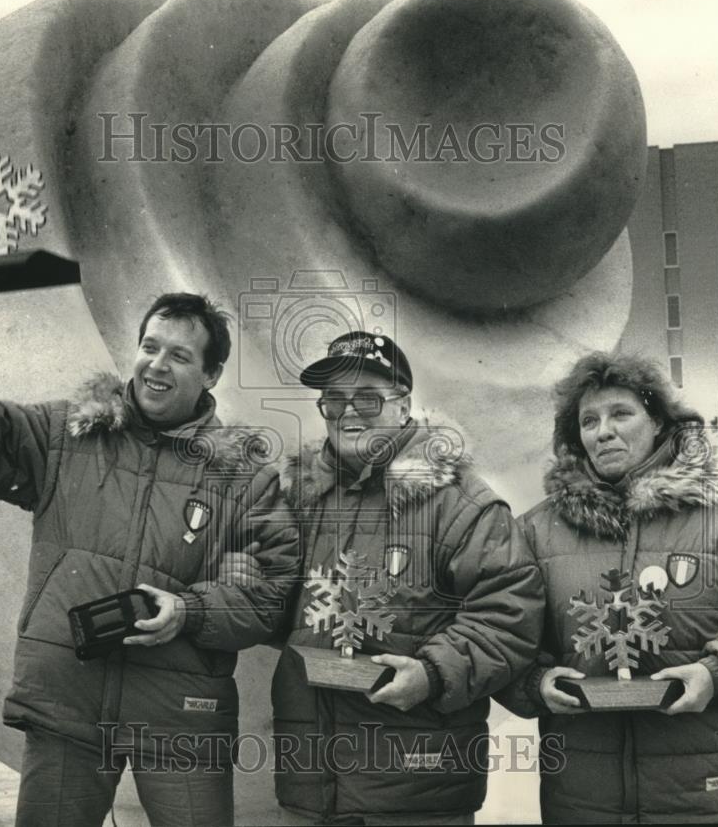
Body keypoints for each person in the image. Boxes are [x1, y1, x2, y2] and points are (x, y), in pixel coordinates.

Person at [0, 278, 299, 827]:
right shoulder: (65, 435)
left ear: (210, 376)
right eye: (150, 347)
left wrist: (189, 612)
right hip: (67, 707)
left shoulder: (243, 478)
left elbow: (270, 592)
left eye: (179, 355)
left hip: (181, 723)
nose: (157, 365)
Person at [231, 331, 544, 825]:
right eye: (333, 400)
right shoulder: (298, 500)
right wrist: (247, 583)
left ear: (404, 406)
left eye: (367, 398)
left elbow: (508, 615)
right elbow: (278, 615)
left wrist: (432, 674)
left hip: (416, 794)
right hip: (310, 789)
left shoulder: (461, 503)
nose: (348, 412)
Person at [495, 352, 718, 823]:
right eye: (589, 420)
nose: (603, 431)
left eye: (621, 413)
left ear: (660, 422)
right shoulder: (535, 533)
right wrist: (534, 682)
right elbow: (499, 629)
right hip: (583, 797)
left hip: (706, 793)